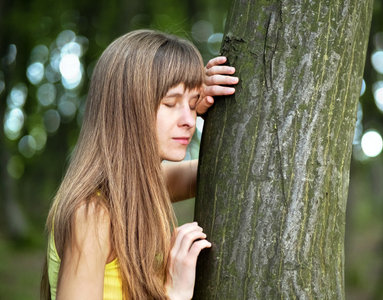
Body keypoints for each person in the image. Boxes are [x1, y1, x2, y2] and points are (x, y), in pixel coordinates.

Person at [40, 29, 239, 300]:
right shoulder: (92, 213)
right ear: (128, 106)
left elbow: (217, 172)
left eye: (192, 107)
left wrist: (207, 104)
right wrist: (175, 294)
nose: (189, 120)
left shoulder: (135, 188)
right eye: (170, 103)